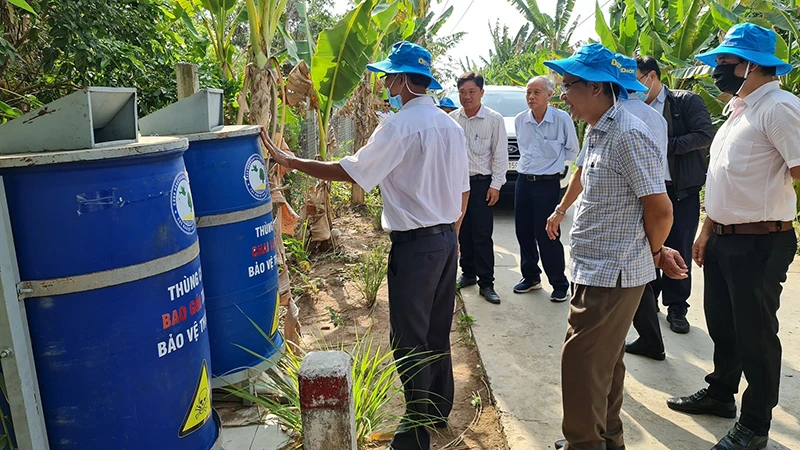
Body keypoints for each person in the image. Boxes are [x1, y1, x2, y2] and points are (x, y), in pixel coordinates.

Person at [262, 41, 470, 450]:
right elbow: (463, 191)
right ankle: (437, 409)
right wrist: (452, 239)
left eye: (390, 76)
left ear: (405, 81)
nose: (385, 82)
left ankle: (414, 436)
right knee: (435, 330)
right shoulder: (450, 125)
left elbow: (351, 171)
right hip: (445, 240)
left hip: (416, 247)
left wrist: (291, 161)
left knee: (408, 338)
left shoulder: (397, 125)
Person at [541, 43, 688, 450]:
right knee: (604, 365)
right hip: (595, 266)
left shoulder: (627, 134)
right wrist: (560, 209)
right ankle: (607, 439)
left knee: (582, 366)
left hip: (613, 272)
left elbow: (660, 210)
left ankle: (584, 443)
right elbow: (584, 176)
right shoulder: (599, 128)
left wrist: (655, 251)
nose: (562, 93)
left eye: (568, 85)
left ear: (597, 89)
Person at [666, 23, 800, 450]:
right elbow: (721, 179)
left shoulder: (778, 107)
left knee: (756, 335)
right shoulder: (738, 110)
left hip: (760, 242)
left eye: (725, 62)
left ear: (754, 65)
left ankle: (755, 424)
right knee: (725, 326)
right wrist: (708, 228)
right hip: (725, 238)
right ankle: (722, 393)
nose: (718, 70)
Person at [633, 55, 715, 335]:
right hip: (648, 191)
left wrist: (665, 145)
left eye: (637, 79)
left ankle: (677, 308)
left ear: (651, 76)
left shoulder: (684, 101)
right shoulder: (633, 107)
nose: (635, 86)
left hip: (680, 190)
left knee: (678, 245)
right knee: (648, 246)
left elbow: (705, 134)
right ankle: (649, 302)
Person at [616, 54, 671, 361]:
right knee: (641, 273)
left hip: (631, 203)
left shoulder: (617, 115)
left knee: (635, 275)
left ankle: (649, 339)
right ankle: (651, 339)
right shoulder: (654, 116)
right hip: (654, 194)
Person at [512, 75, 578, 302]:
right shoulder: (521, 120)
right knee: (523, 232)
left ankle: (559, 283)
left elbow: (572, 150)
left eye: (536, 92)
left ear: (550, 95)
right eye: (528, 92)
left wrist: (557, 172)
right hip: (523, 182)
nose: (531, 97)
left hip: (548, 184)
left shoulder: (562, 120)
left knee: (548, 233)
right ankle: (531, 277)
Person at [451, 72, 508, 304]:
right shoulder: (453, 119)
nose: (467, 97)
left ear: (482, 93)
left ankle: (487, 283)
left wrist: (496, 185)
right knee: (463, 230)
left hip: (483, 183)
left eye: (472, 92)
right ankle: (468, 274)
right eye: (462, 92)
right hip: (458, 185)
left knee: (482, 234)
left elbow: (500, 155)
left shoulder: (494, 120)